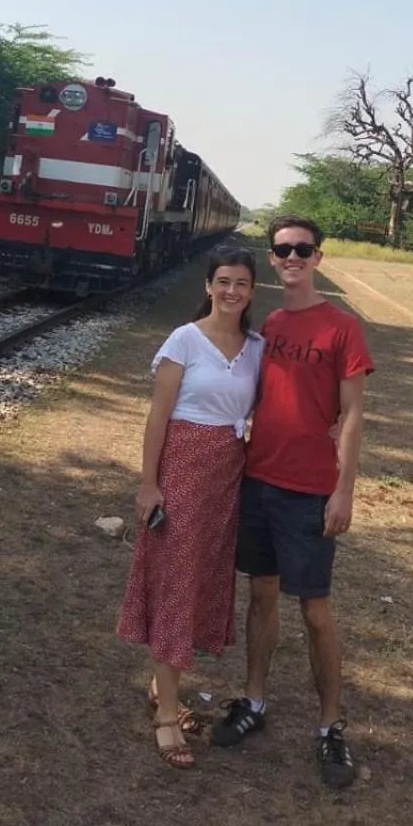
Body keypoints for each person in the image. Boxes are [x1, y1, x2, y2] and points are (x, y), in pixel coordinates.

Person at [211, 214, 373, 790]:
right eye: (283, 249)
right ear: (273, 258)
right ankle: (254, 700)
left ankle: (331, 724)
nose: (293, 257)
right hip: (258, 482)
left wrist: (344, 488)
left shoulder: (342, 327)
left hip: (310, 491)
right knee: (260, 596)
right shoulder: (270, 323)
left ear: (318, 258)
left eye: (304, 249)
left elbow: (352, 413)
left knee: (315, 610)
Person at [116, 245, 263, 768]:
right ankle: (165, 716)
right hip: (180, 469)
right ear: (208, 286)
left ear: (251, 291)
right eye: (223, 281)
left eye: (241, 283)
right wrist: (148, 484)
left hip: (227, 478)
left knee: (199, 584)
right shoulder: (184, 339)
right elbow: (157, 417)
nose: (231, 292)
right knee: (175, 585)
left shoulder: (256, 348)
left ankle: (166, 689)